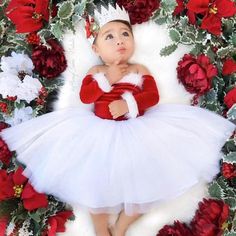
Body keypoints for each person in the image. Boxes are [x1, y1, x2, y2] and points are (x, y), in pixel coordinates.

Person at [0, 3, 235, 236]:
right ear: (96, 48)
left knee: (147, 187)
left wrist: (129, 104)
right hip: (98, 133)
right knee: (95, 187)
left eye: (125, 34)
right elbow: (85, 96)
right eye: (109, 37)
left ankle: (121, 227)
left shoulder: (139, 69)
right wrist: (107, 80)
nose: (119, 41)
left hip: (139, 130)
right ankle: (102, 229)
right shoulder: (95, 73)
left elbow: (152, 96)